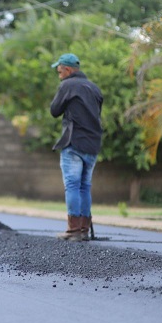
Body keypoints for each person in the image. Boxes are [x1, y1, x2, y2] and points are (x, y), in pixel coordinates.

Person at [50, 53, 103, 241]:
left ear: (68, 69)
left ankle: (73, 231)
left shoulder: (67, 85)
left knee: (72, 184)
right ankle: (83, 230)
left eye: (60, 72)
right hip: (93, 144)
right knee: (84, 186)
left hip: (74, 143)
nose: (59, 76)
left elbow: (54, 110)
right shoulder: (95, 88)